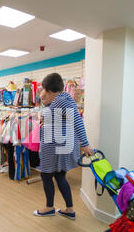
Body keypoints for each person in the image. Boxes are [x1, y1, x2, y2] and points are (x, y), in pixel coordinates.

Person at [34, 73, 94, 220]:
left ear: (48, 89)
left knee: (46, 175)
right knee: (60, 177)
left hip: (56, 148)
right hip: (57, 146)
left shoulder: (62, 101)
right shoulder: (61, 99)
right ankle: (69, 209)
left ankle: (49, 208)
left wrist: (85, 144)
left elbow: (77, 121)